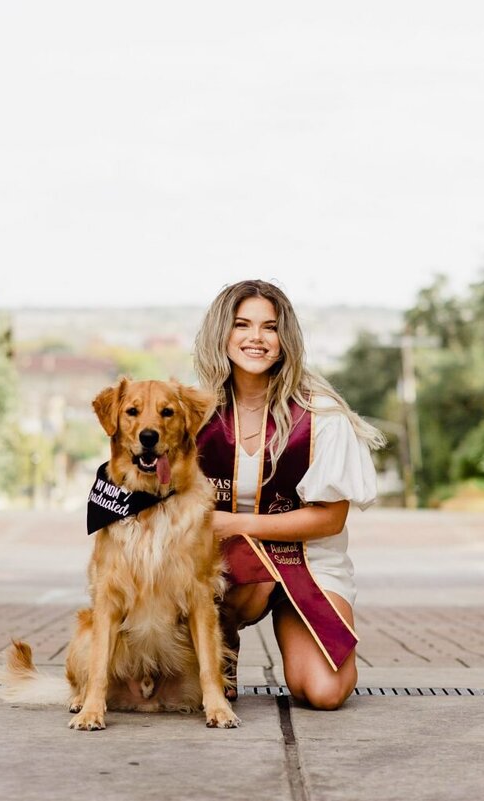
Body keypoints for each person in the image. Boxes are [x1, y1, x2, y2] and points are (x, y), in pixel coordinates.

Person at [193, 279, 384, 710]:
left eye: (270, 327)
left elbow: (329, 520)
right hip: (220, 566)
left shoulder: (321, 415)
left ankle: (278, 617)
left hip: (307, 562)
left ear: (285, 339)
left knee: (324, 692)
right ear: (221, 333)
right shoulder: (195, 413)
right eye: (242, 325)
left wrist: (236, 523)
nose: (256, 338)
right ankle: (221, 639)